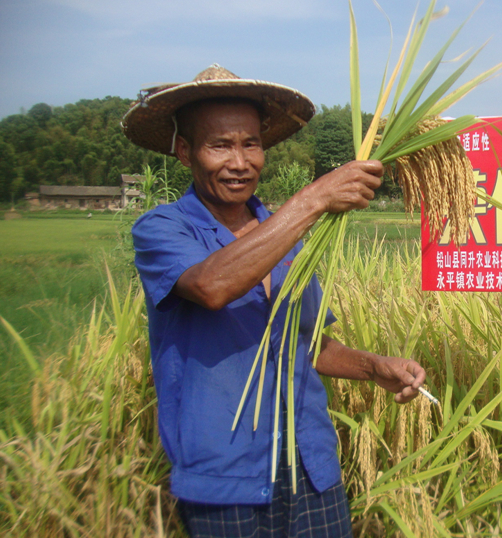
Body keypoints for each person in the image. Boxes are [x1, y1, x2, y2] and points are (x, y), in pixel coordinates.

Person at [122, 65, 426, 537]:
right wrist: (313, 200)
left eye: (250, 144)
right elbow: (212, 286)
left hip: (311, 468)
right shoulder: (163, 229)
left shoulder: (287, 240)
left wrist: (375, 368)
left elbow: (308, 346)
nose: (239, 162)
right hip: (224, 480)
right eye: (219, 145)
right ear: (185, 151)